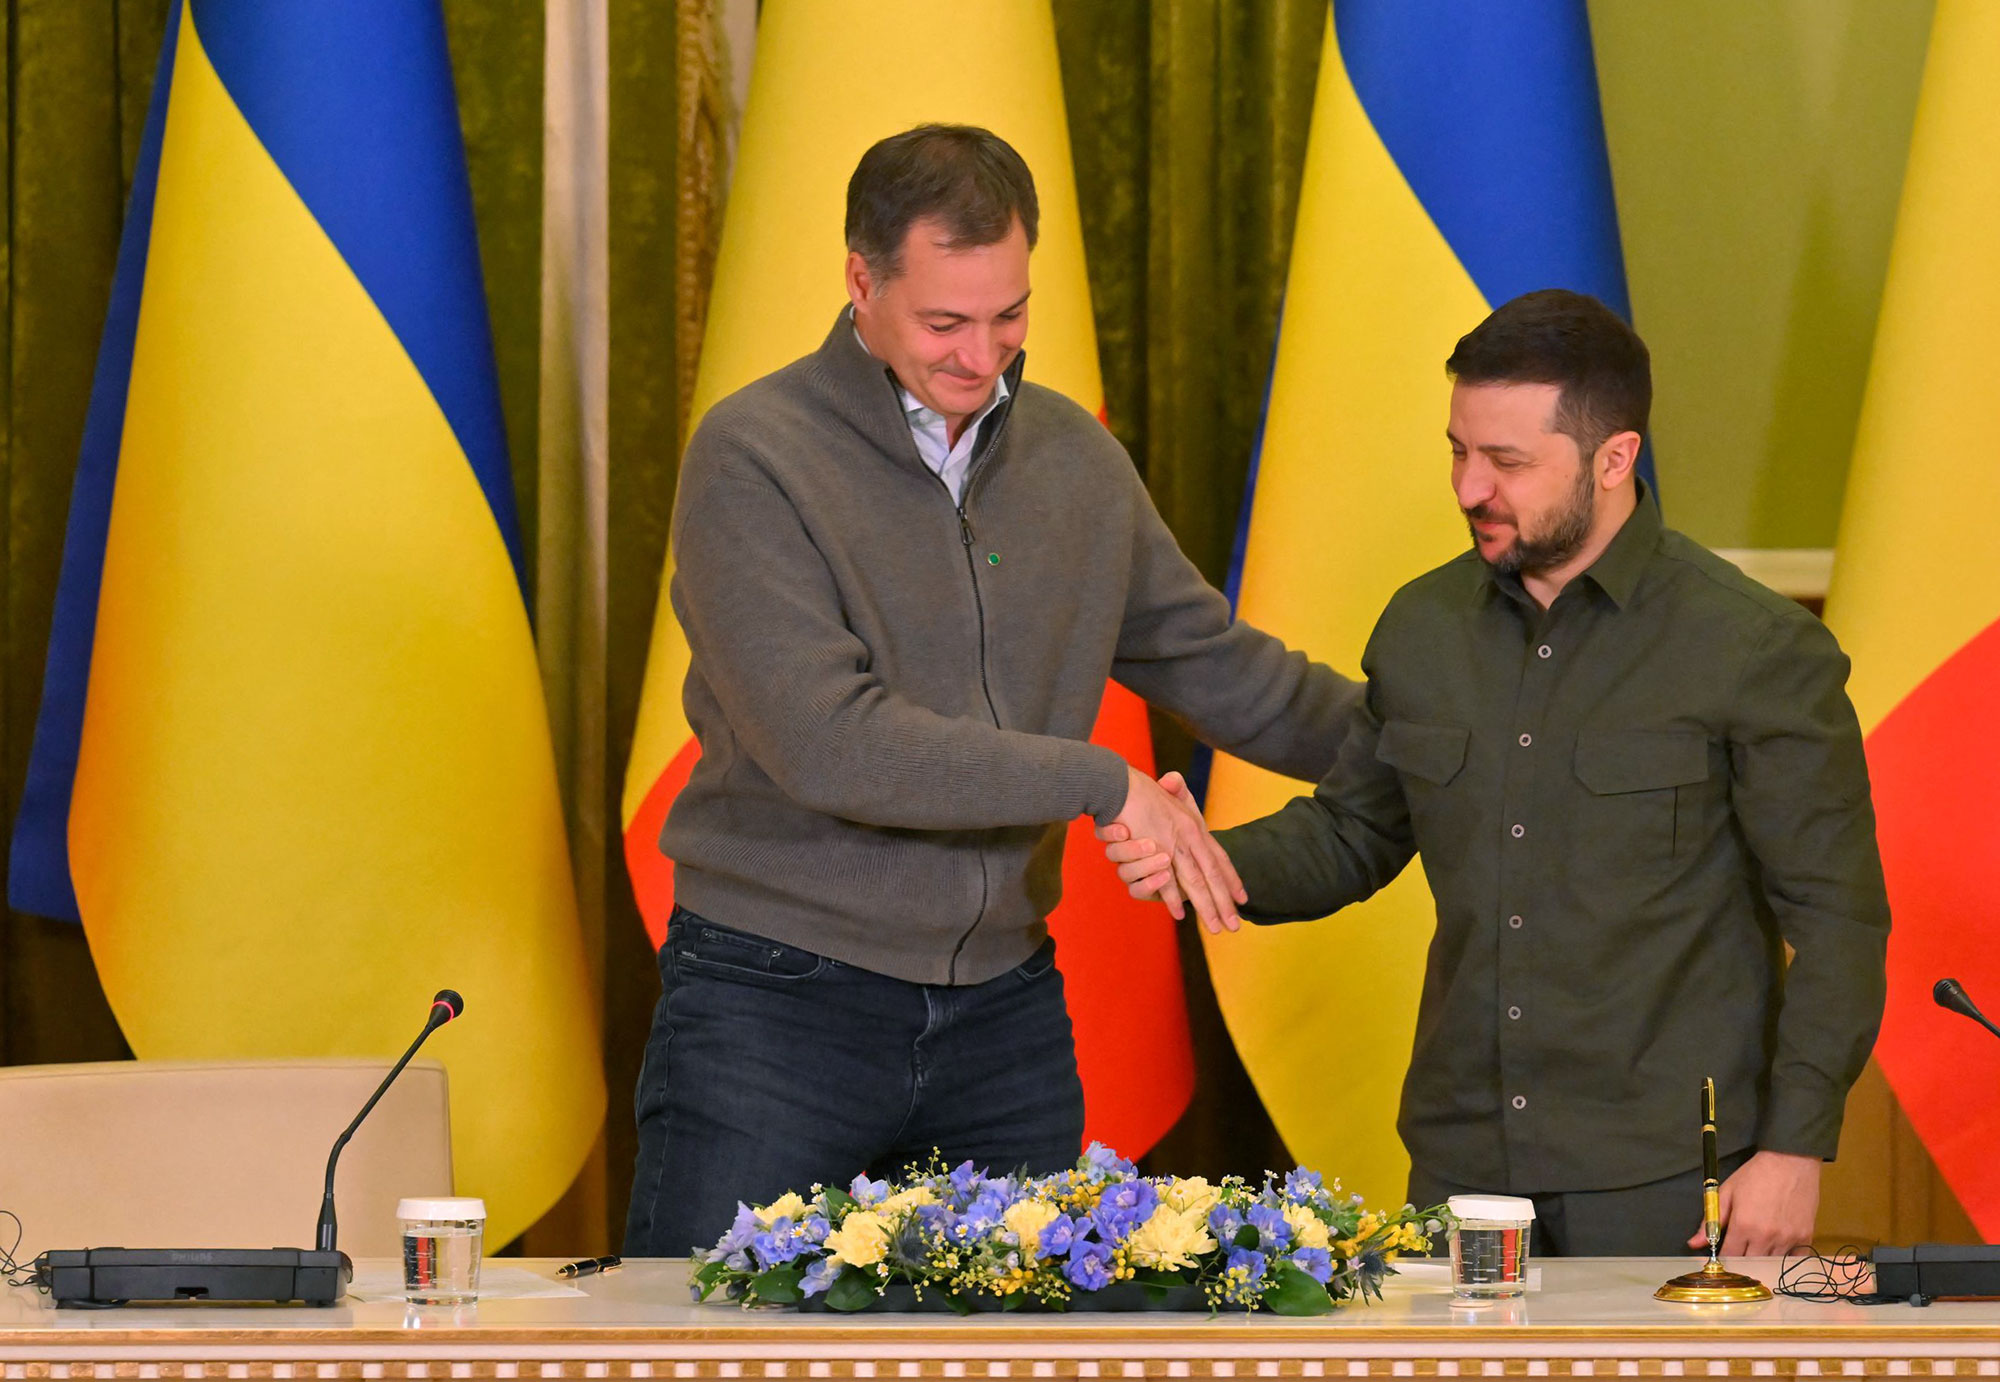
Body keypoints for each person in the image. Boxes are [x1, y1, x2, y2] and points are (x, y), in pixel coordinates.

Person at [623, 124, 1362, 1257]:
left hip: (1001, 1016)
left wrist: (1458, 744)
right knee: (711, 1345)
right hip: (773, 1007)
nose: (983, 355)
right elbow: (833, 744)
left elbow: (1222, 669)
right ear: (859, 283)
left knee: (1015, 1351)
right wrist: (1099, 779)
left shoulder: (1075, 459)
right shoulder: (752, 456)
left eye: (1009, 315)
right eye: (945, 323)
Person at [1102, 289, 1890, 1258]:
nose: (1470, 486)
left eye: (1506, 461)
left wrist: (1793, 1146)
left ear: (1613, 457)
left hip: (1670, 1176)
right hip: (1460, 1165)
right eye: (1456, 450)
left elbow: (1837, 917)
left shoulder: (1754, 647)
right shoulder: (1421, 626)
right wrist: (1201, 859)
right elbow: (1353, 831)